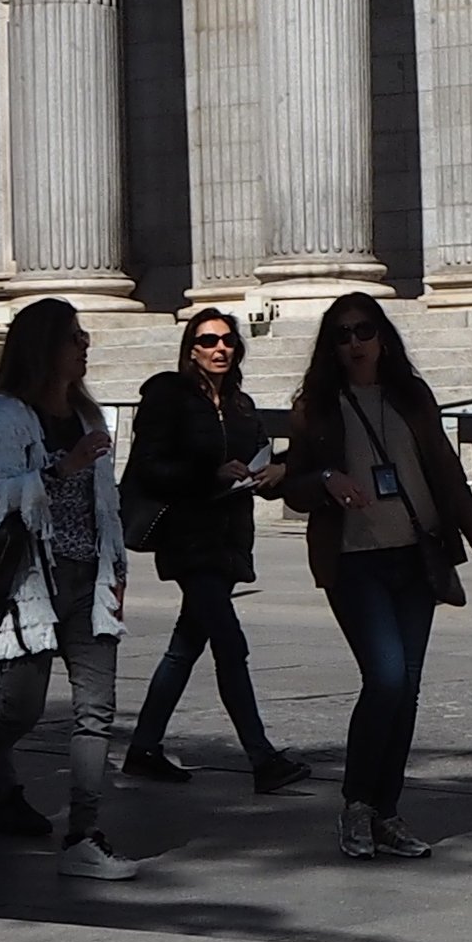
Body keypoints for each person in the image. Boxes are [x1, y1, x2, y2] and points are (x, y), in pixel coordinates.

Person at [279, 293, 472, 860]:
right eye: (343, 335)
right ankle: (357, 804)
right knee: (384, 680)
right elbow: (295, 486)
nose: (355, 344)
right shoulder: (317, 407)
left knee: (407, 690)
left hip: (414, 556)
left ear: (383, 338)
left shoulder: (411, 397)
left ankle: (387, 812)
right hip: (355, 562)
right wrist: (327, 476)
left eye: (364, 332)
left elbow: (447, 476)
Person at [0, 299, 137, 880]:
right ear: (44, 347)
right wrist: (58, 470)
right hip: (32, 583)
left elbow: (104, 508)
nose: (84, 344)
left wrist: (114, 570)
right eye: (73, 336)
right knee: (21, 709)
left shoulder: (89, 414)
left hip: (89, 579)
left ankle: (83, 837)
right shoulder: (9, 416)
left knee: (96, 712)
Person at [122, 308, 308, 792]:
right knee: (229, 640)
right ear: (191, 348)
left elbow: (254, 461)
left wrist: (272, 474)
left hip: (230, 535)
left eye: (227, 340)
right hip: (188, 535)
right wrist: (209, 473)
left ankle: (143, 747)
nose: (219, 348)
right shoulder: (169, 396)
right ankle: (262, 757)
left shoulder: (242, 406)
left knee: (187, 643)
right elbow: (149, 467)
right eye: (208, 340)